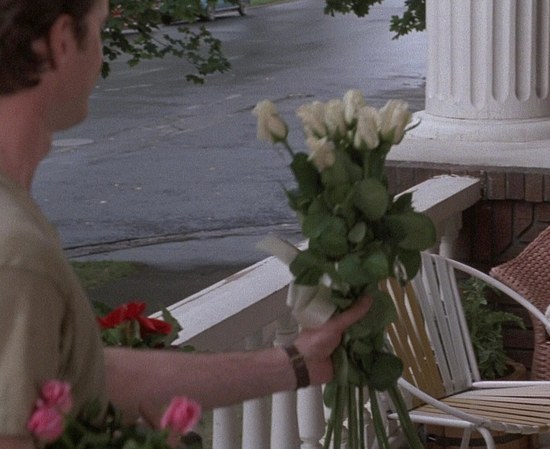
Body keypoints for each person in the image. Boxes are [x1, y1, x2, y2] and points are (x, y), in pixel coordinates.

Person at [0, 1, 370, 447]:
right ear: (62, 43)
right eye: (98, 31)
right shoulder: (17, 255)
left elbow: (88, 376)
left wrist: (298, 362)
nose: (101, 56)